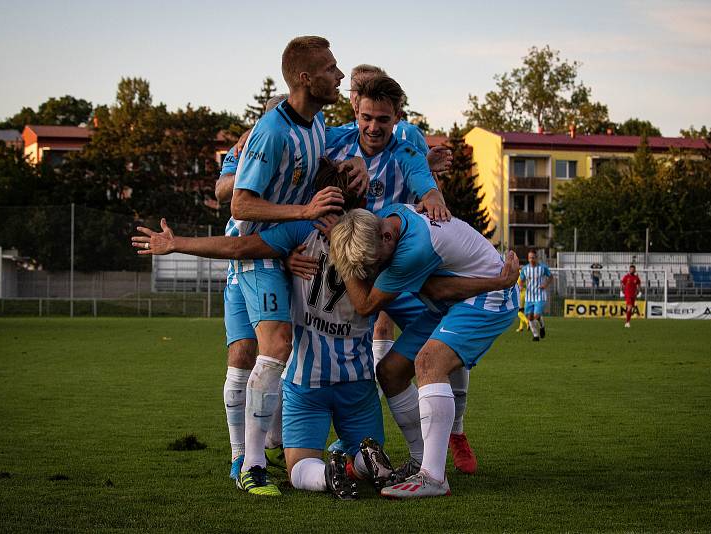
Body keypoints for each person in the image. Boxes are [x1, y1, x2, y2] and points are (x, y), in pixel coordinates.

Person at [132, 212, 519, 499]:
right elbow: (420, 298)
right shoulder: (380, 256)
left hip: (305, 382)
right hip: (358, 383)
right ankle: (365, 463)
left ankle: (318, 470)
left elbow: (241, 247)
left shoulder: (302, 235)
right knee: (391, 391)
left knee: (299, 465)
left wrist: (179, 243)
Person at [227, 35, 370, 496]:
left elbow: (309, 171)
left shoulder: (316, 123)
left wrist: (346, 166)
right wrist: (305, 213)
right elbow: (240, 203)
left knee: (287, 348)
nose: (340, 75)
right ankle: (250, 466)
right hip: (255, 249)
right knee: (277, 344)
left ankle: (282, 447)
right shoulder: (271, 130)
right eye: (331, 68)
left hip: (287, 247)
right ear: (306, 78)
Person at [328, 205, 520, 498]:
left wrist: (341, 258)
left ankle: (433, 477)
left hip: (487, 298)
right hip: (454, 299)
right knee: (390, 372)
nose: (372, 271)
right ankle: (421, 461)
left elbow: (366, 304)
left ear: (387, 237)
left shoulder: (413, 250)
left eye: (375, 263)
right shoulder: (390, 215)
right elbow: (436, 289)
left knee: (429, 362)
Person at [215, 93, 288, 480]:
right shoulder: (249, 144)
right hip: (242, 259)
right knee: (242, 353)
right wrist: (247, 158)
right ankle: (239, 454)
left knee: (280, 355)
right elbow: (223, 191)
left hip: (283, 258)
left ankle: (273, 444)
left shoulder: (307, 148)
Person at [520, 250, 552, 341]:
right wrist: (521, 286)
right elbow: (522, 279)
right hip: (529, 296)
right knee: (529, 316)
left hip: (540, 295)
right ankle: (535, 335)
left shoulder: (542, 268)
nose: (531, 260)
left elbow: (551, 277)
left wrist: (545, 285)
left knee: (536, 316)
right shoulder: (525, 269)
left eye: (533, 258)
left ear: (536, 258)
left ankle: (542, 326)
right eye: (529, 258)